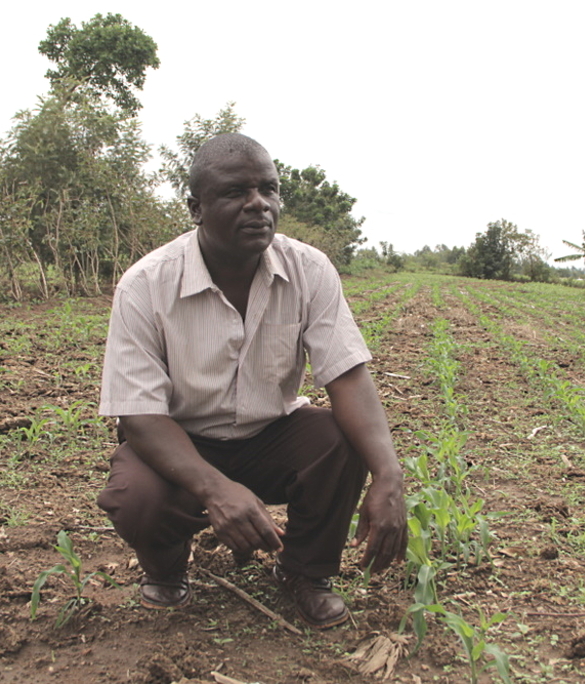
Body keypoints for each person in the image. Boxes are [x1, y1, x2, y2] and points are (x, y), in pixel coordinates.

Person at [96, 133, 406, 629]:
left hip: (270, 435)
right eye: (235, 192)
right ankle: (167, 565)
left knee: (340, 442)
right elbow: (139, 414)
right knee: (137, 494)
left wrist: (389, 473)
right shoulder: (146, 285)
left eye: (268, 189)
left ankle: (305, 571)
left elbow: (347, 375)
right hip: (181, 441)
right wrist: (217, 489)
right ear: (196, 207)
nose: (258, 204)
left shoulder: (308, 270)